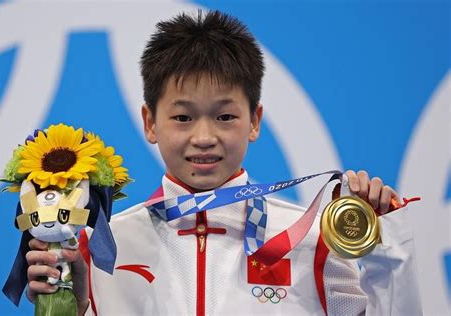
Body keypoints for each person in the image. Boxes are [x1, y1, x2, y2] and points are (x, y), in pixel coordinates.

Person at [25, 10, 422, 315]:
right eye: (182, 117)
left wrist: (384, 249)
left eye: (225, 116)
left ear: (255, 121)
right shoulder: (103, 247)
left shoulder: (311, 241)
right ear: (150, 123)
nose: (203, 137)